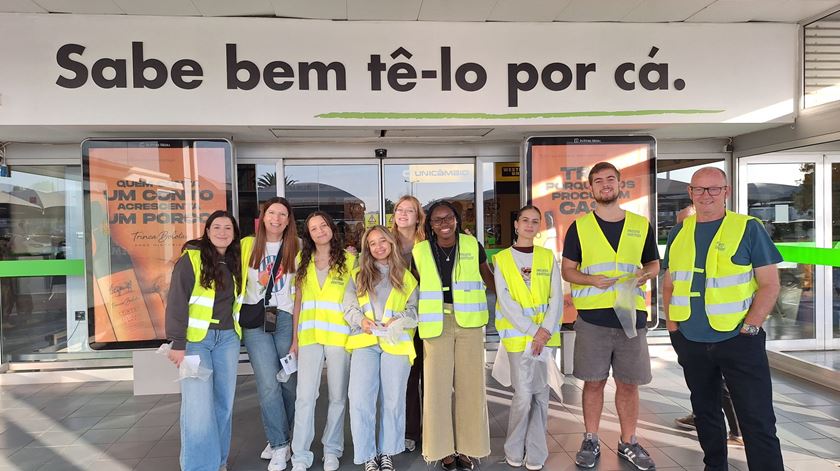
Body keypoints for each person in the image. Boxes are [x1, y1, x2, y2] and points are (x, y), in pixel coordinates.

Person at [663, 167, 784, 470]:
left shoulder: (748, 228)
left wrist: (750, 327)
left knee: (756, 419)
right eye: (699, 189)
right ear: (690, 193)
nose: (706, 196)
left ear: (726, 192)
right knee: (705, 415)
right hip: (691, 339)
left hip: (738, 339)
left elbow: (770, 284)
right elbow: (670, 281)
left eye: (713, 189)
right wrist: (672, 326)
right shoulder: (679, 231)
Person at [560, 162, 659, 470]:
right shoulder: (580, 227)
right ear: (591, 188)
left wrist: (645, 274)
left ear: (619, 184)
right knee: (593, 382)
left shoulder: (641, 225)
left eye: (610, 179)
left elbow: (655, 264)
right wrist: (591, 280)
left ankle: (628, 441)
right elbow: (567, 270)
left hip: (631, 319)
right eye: (598, 180)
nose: (605, 184)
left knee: (629, 384)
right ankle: (591, 439)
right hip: (593, 321)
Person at [412, 200, 493, 470]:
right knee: (436, 389)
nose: (444, 224)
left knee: (471, 388)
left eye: (448, 218)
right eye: (437, 220)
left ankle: (469, 448)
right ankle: (441, 450)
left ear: (457, 220)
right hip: (436, 324)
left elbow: (489, 278)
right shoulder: (420, 250)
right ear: (430, 225)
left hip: (469, 322)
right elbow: (410, 289)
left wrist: (513, 299)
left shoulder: (472, 245)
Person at [165, 210, 247, 471]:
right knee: (197, 408)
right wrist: (177, 343)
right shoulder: (191, 259)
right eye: (217, 228)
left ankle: (218, 461)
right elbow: (177, 301)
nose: (222, 233)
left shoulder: (236, 261)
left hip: (227, 341)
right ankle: (199, 467)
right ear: (208, 231)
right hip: (194, 343)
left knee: (223, 404)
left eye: (228, 228)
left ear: (234, 234)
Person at [345, 225, 419, 471]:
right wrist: (361, 321)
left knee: (393, 399)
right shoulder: (357, 276)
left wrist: (398, 319)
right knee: (359, 399)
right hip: (365, 343)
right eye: (373, 243)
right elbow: (349, 308)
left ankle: (387, 452)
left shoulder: (406, 277)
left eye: (383, 241)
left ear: (391, 244)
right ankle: (368, 454)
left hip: (395, 343)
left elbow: (414, 310)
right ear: (367, 248)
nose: (378, 247)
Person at [494, 205, 562, 471]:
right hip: (518, 337)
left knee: (541, 396)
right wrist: (534, 331)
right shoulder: (502, 259)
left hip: (545, 339)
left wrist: (543, 332)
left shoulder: (547, 257)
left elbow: (555, 297)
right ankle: (514, 448)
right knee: (523, 395)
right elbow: (506, 300)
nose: (530, 225)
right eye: (525, 220)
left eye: (535, 221)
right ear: (516, 224)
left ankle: (536, 452)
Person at [289, 211, 356, 471]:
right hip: (309, 337)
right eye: (314, 228)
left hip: (339, 336)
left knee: (338, 396)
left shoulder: (350, 260)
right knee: (305, 396)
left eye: (323, 225)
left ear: (331, 228)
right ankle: (301, 455)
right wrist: (294, 339)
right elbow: (298, 302)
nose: (320, 231)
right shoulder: (301, 260)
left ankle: (332, 449)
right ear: (309, 234)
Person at [240, 197, 300, 471]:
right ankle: (278, 444)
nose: (276, 219)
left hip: (285, 318)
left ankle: (284, 438)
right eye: (272, 213)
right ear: (263, 217)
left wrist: (299, 333)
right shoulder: (246, 246)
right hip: (255, 320)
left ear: (288, 221)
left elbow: (301, 292)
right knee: (267, 383)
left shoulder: (297, 247)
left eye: (282, 215)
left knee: (287, 381)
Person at [390, 195, 426, 453]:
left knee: (432, 378)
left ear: (418, 217)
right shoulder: (385, 243)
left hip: (429, 318)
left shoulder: (427, 244)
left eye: (409, 210)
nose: (403, 214)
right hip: (399, 322)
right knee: (408, 378)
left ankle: (435, 433)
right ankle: (409, 431)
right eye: (399, 210)